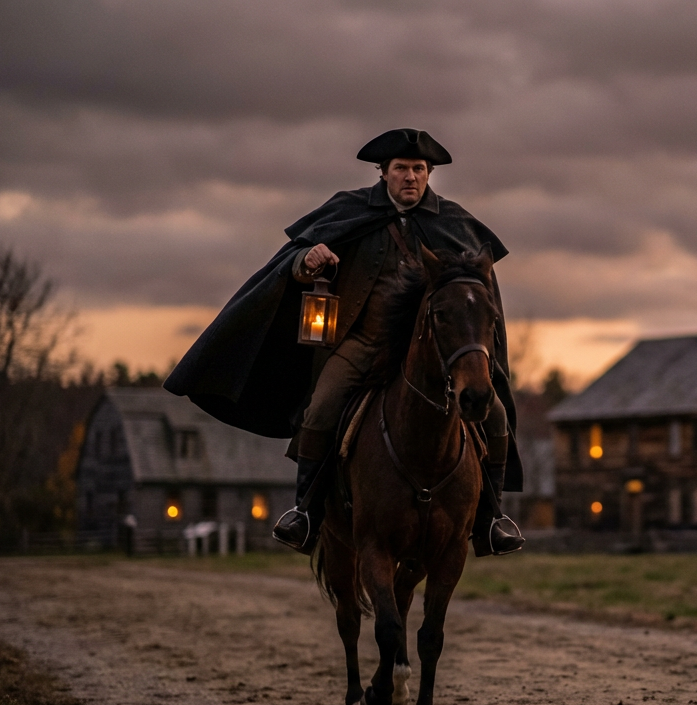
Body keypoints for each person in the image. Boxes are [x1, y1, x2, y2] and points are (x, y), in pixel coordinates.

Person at [164, 128, 524, 557]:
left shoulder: (456, 225)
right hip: (363, 342)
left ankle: (491, 519)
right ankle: (306, 513)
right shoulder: (348, 210)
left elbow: (478, 291)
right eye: (401, 169)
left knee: (496, 416)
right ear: (383, 172)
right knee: (321, 406)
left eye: (419, 170)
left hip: (432, 355)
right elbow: (292, 260)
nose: (411, 177)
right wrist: (307, 258)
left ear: (429, 174)